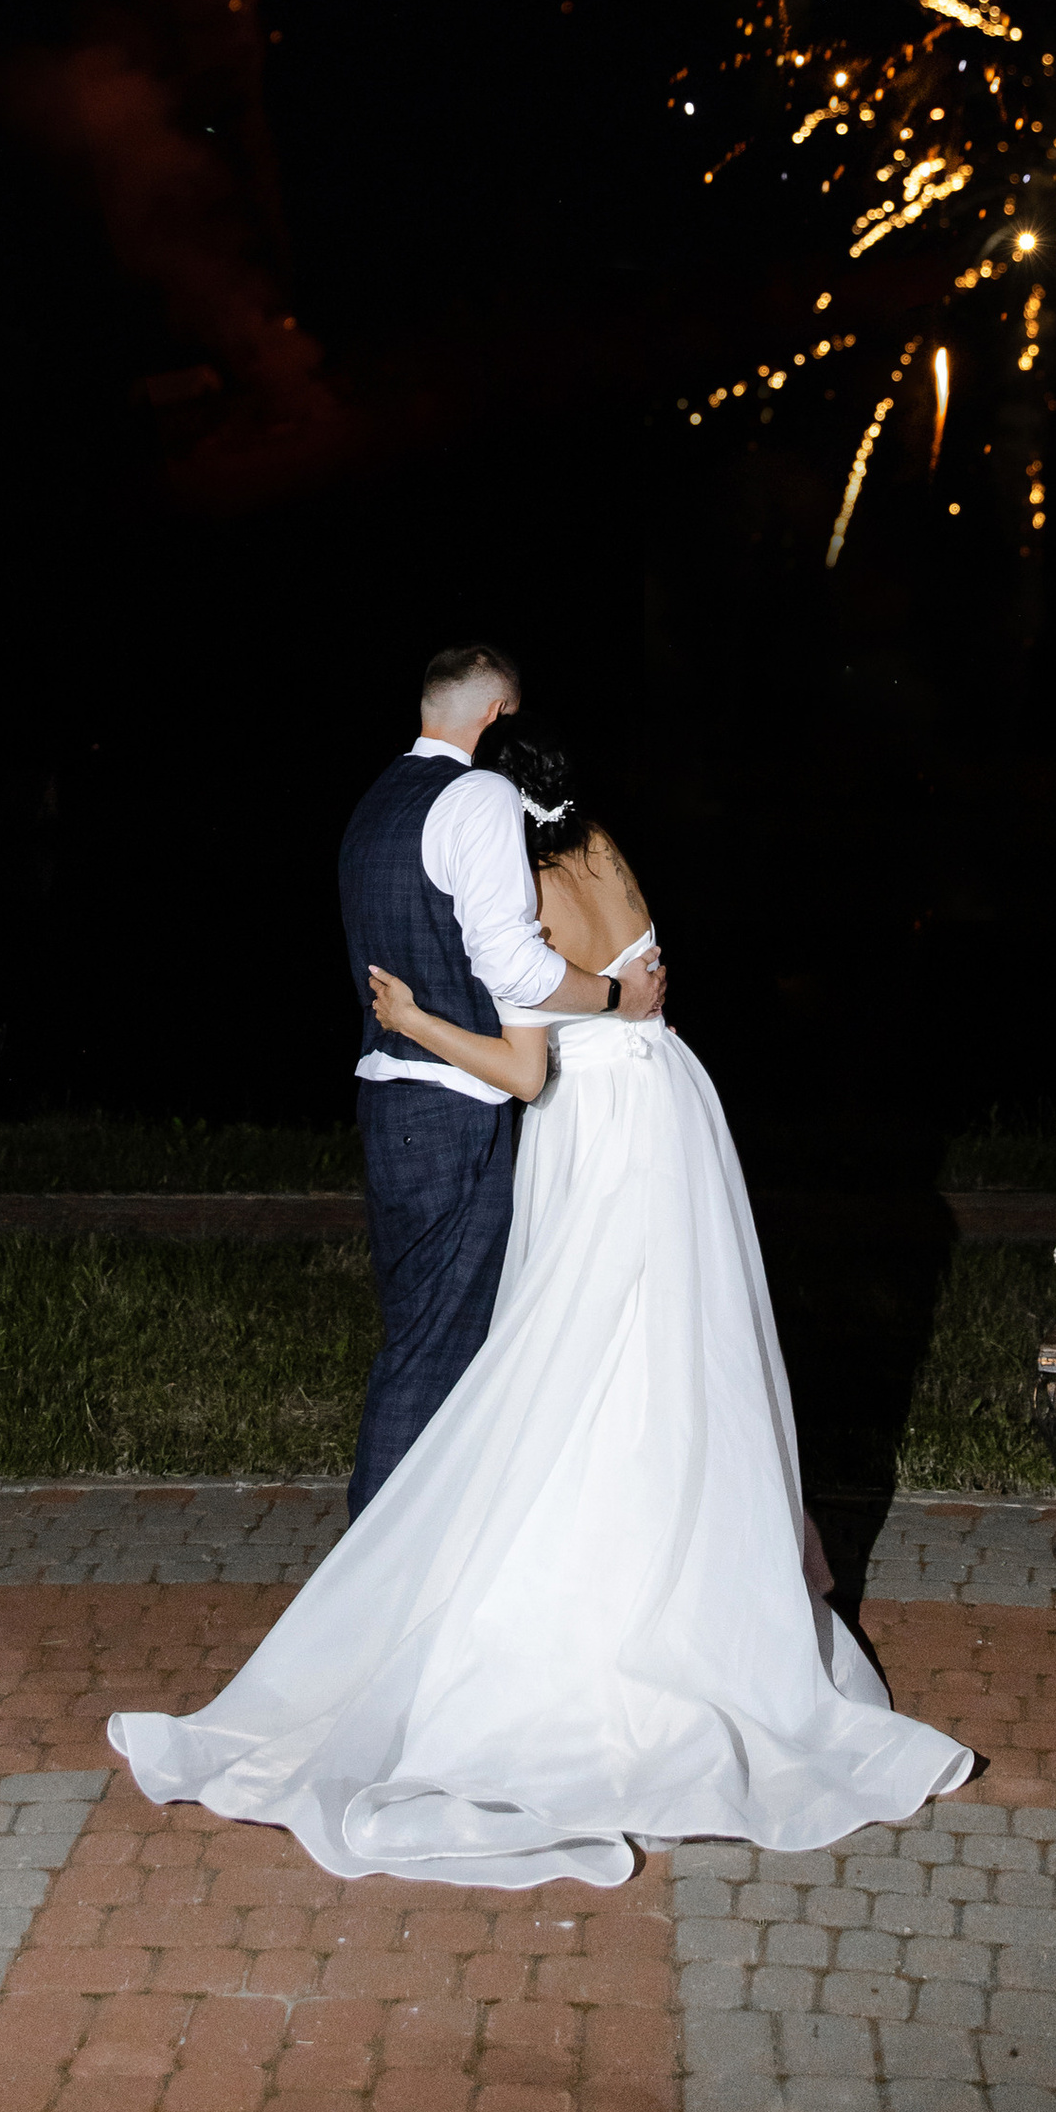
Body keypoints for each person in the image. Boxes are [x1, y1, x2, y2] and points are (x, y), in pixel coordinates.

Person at [106, 714, 969, 1889]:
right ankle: (701, 1578)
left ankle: (587, 1593)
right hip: (673, 1104)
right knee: (673, 1346)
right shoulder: (605, 846)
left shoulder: (524, 887)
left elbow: (524, 1067)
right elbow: (641, 989)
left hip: (595, 1127)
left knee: (570, 1352)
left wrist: (413, 1018)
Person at [332, 641, 663, 1518]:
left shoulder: (379, 799)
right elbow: (514, 968)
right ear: (498, 714)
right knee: (434, 1357)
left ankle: (420, 1545)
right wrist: (616, 996)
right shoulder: (479, 796)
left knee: (424, 1342)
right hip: (457, 1111)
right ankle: (379, 1565)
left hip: (390, 1102)